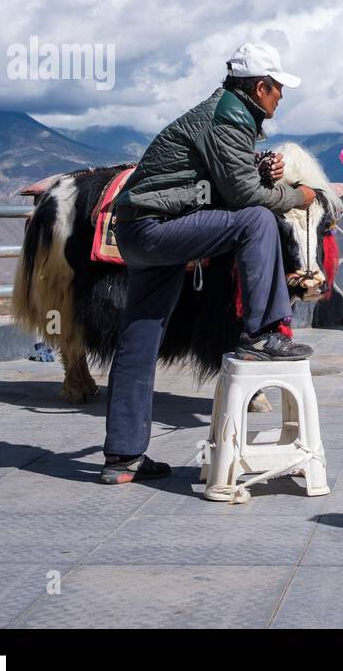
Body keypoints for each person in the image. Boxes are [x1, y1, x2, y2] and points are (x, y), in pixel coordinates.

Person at [101, 42, 317, 484]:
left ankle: (122, 458)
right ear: (259, 88)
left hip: (140, 229)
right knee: (258, 220)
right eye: (277, 88)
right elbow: (243, 199)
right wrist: (298, 195)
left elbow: (216, 179)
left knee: (141, 336)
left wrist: (259, 169)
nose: (281, 96)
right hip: (158, 227)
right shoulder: (228, 118)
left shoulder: (225, 112)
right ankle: (262, 332)